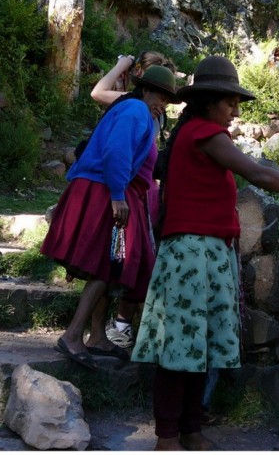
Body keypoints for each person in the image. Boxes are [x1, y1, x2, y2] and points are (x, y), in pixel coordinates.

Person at [130, 55, 279, 451]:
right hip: (192, 253)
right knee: (181, 346)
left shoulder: (197, 133)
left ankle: (190, 429)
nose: (235, 110)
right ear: (209, 100)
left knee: (200, 344)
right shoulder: (205, 134)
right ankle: (167, 437)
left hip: (204, 252)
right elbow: (258, 173)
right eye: (229, 102)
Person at [41, 66, 180, 370]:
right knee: (108, 264)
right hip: (105, 192)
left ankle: (97, 336)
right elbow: (117, 151)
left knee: (109, 264)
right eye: (160, 96)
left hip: (104, 190)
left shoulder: (137, 111)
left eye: (167, 100)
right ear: (144, 90)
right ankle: (74, 335)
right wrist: (118, 194)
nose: (162, 104)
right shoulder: (135, 110)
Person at [90, 51, 177, 349]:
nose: (162, 100)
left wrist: (120, 65)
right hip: (134, 186)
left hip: (141, 188)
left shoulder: (144, 106)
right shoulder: (139, 107)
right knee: (123, 256)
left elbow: (98, 92)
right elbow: (98, 94)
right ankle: (117, 327)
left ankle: (118, 326)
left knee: (135, 257)